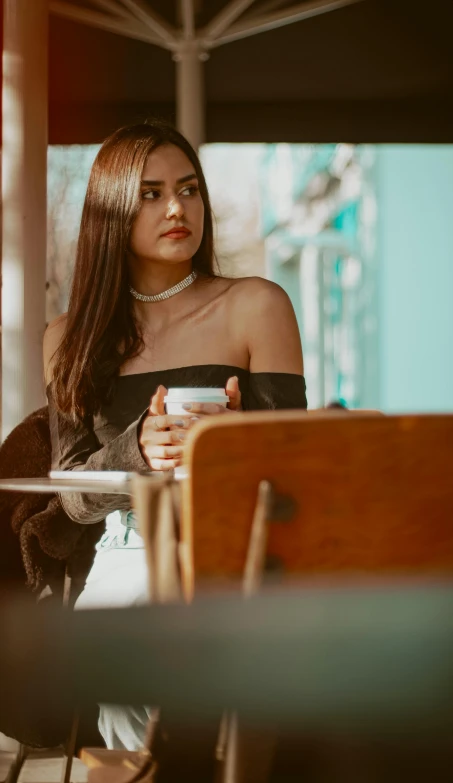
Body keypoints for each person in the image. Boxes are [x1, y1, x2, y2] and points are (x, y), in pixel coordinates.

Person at [43, 121, 307, 750]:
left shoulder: (256, 305)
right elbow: (73, 499)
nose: (177, 208)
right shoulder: (69, 338)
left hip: (242, 542)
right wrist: (139, 450)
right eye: (151, 193)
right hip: (129, 549)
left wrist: (232, 442)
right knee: (132, 665)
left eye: (188, 190)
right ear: (111, 210)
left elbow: (298, 467)